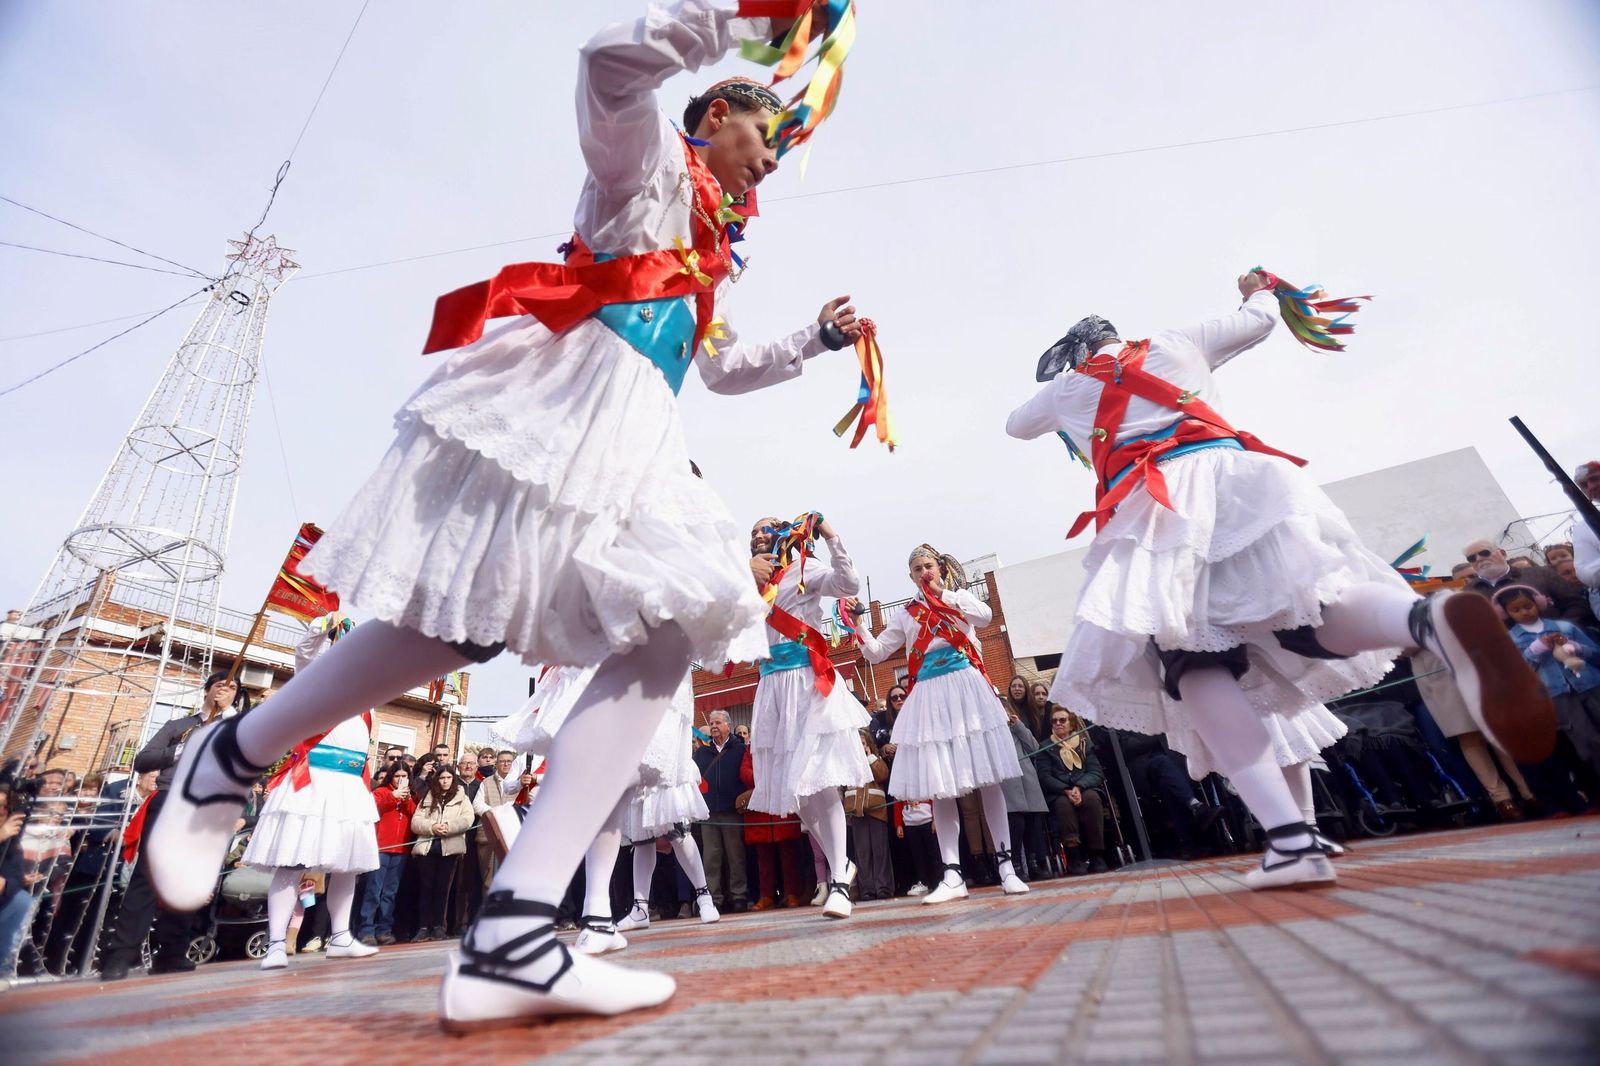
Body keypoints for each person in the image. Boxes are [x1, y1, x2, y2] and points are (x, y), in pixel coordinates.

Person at [143, 0, 861, 1029]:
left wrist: (815, 345)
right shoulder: (649, 160)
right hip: (564, 403)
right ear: (714, 116)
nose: (774, 156)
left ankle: (513, 926)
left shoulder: (713, 253)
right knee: (465, 624)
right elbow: (609, 67)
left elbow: (723, 368)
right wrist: (731, 16)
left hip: (640, 429)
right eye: (765, 134)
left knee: (666, 626)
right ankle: (239, 755)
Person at [1005, 270, 1554, 889]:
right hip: (1239, 480)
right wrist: (1258, 287)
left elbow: (1015, 424)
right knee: (1312, 612)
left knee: (1195, 664)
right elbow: (1262, 319)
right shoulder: (1176, 341)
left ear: (1078, 352)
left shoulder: (1070, 390)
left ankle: (1292, 843)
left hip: (1153, 510)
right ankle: (1426, 618)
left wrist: (1062, 390)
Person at [488, 663, 720, 955]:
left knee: (638, 782)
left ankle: (598, 916)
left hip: (639, 658)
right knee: (630, 771)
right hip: (644, 657)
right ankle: (627, 907)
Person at [850, 546, 1027, 903]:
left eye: (927, 565)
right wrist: (855, 623)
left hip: (965, 685)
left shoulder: (958, 597)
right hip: (929, 694)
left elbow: (986, 616)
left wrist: (944, 595)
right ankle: (951, 874)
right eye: (916, 568)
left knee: (987, 777)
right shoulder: (907, 613)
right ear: (910, 575)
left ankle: (1006, 867)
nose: (923, 571)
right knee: (941, 782)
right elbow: (876, 652)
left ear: (940, 567)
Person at [746, 513, 872, 919]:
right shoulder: (748, 583)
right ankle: (841, 865)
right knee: (794, 792)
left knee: (820, 781)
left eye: (766, 529)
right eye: (753, 532)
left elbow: (847, 585)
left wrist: (831, 535)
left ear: (783, 535)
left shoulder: (803, 568)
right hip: (771, 688)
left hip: (807, 679)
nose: (758, 535)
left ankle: (838, 880)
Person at [245, 614, 381, 971]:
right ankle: (275, 943)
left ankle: (340, 937)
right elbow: (306, 651)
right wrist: (323, 625)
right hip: (313, 780)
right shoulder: (317, 679)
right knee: (292, 863)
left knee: (348, 865)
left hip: (350, 787)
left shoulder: (369, 697)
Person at [100, 671, 249, 981]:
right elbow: (144, 760)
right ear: (207, 690)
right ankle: (120, 954)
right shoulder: (179, 727)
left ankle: (171, 951)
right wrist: (184, 748)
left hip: (207, 805)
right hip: (170, 799)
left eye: (232, 688)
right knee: (148, 878)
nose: (225, 690)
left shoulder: (236, 729)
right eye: (220, 685)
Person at [1495, 585, 1600, 777]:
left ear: (1539, 603)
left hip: (1592, 686)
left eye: (1528, 606)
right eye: (1516, 610)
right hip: (1559, 698)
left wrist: (1576, 647)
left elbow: (1595, 653)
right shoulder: (1511, 641)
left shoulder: (1565, 628)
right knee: (1587, 742)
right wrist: (1533, 651)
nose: (1524, 612)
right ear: (1506, 613)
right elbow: (1516, 675)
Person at [1034, 709, 1108, 875]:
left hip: (1085, 788)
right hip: (1060, 792)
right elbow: (1045, 776)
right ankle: (1074, 857)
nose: (1058, 723)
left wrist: (1080, 787)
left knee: (1091, 799)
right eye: (1054, 721)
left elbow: (1095, 771)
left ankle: (1097, 855)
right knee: (1063, 805)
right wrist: (1066, 790)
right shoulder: (1046, 747)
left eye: (1062, 720)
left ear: (1071, 723)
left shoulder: (1084, 743)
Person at [694, 710, 749, 913]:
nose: (714, 726)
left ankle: (739, 895)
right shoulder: (701, 752)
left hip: (731, 809)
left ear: (727, 725)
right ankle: (714, 898)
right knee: (711, 857)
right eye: (711, 723)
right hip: (708, 812)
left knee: (736, 855)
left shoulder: (740, 748)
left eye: (717, 722)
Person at [739, 744, 807, 909]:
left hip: (780, 805)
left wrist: (769, 779)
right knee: (764, 857)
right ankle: (766, 895)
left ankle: (791, 893)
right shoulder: (751, 749)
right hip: (761, 809)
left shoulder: (784, 745)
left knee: (789, 854)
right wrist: (764, 780)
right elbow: (744, 772)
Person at [409, 766, 473, 941]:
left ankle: (438, 926)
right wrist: (432, 827)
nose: (445, 781)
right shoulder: (429, 796)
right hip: (428, 848)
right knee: (426, 888)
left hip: (449, 849)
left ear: (453, 779)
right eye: (442, 777)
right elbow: (416, 821)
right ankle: (423, 927)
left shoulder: (462, 797)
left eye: (448, 777)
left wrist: (449, 827)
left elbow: (468, 818)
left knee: (442, 889)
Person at [358, 765, 416, 945]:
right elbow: (374, 808)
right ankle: (366, 929)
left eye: (404, 775)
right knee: (373, 891)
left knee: (390, 893)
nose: (400, 779)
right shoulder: (382, 791)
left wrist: (405, 800)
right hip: (380, 849)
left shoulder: (410, 795)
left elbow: (414, 814)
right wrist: (393, 796)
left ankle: (384, 929)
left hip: (400, 850)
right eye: (397, 775)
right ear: (391, 776)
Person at [999, 690, 1050, 879]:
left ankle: (1033, 862)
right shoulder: (991, 734)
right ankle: (1016, 864)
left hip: (1027, 781)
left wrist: (1018, 726)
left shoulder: (1017, 728)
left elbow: (1034, 748)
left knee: (1031, 825)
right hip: (1008, 784)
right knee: (1016, 825)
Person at [845, 730, 893, 900]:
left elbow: (883, 775)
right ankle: (867, 889)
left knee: (880, 850)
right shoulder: (846, 762)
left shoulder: (874, 758)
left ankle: (884, 887)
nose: (859, 747)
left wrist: (869, 756)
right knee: (862, 851)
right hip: (857, 812)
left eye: (862, 743)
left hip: (876, 809)